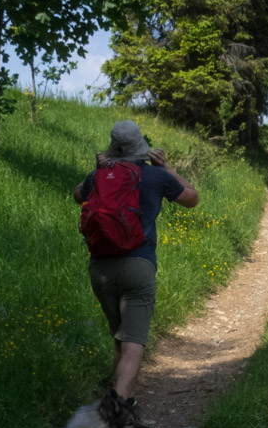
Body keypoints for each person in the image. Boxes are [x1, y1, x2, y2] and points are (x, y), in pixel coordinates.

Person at [73, 119, 199, 410]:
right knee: (133, 344)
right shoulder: (157, 176)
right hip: (138, 266)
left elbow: (77, 194)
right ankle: (116, 411)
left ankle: (122, 402)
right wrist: (168, 167)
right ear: (141, 147)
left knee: (119, 339)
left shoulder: (100, 176)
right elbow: (192, 198)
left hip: (101, 268)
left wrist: (100, 170)